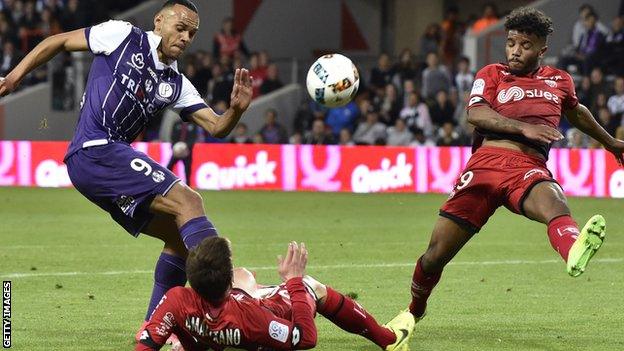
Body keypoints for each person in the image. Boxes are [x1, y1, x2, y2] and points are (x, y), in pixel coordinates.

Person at [0, 0, 254, 342]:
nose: (186, 37)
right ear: (159, 20)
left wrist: (235, 111)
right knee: (188, 202)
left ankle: (155, 332)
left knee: (180, 235)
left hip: (101, 162)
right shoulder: (121, 35)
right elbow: (57, 42)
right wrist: (15, 76)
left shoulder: (175, 83)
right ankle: (224, 305)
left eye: (192, 33)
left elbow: (218, 126)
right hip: (95, 148)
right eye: (180, 27)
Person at [406, 7, 624, 325]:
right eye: (511, 43)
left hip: (527, 167)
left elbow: (577, 113)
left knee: (555, 201)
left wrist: (610, 142)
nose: (515, 51)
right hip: (485, 165)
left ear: (541, 50)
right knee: (434, 256)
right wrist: (523, 127)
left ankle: (574, 249)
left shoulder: (559, 80)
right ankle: (414, 309)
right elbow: (476, 114)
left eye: (524, 45)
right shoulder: (492, 74)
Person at [136, 238, 415, 351]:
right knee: (310, 285)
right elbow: (305, 339)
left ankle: (186, 341)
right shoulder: (254, 316)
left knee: (246, 275)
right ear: (226, 282)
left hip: (213, 323)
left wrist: (168, 333)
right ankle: (388, 339)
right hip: (259, 321)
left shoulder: (176, 298)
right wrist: (293, 281)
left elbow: (145, 343)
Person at [167, 120, 200, 185]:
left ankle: (188, 185)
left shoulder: (193, 125)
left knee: (188, 169)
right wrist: (174, 146)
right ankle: (166, 181)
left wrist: (186, 146)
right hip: (177, 150)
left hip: (187, 151)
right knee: (169, 166)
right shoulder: (177, 124)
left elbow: (193, 138)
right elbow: (173, 136)